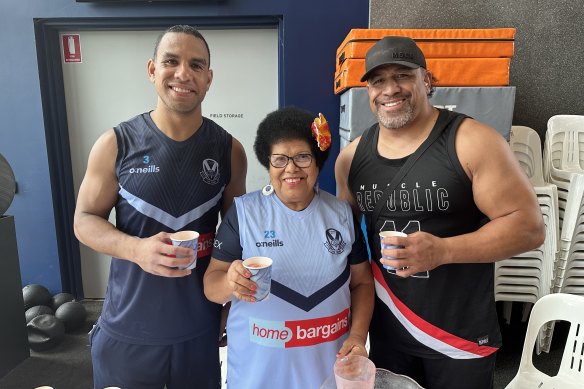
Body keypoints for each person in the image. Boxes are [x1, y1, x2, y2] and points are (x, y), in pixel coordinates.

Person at [335, 36, 545, 389]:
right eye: (378, 80)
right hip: (387, 335)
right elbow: (342, 243)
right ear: (368, 90)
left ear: (427, 81)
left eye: (402, 75)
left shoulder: (472, 141)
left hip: (458, 338)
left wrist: (444, 250)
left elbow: (529, 227)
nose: (390, 89)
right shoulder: (351, 159)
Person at [73, 25, 247, 389]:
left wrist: (232, 304)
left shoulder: (229, 150)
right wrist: (135, 249)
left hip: (200, 333)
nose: (183, 73)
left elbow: (236, 237)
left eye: (196, 65)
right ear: (152, 70)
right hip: (127, 331)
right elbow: (84, 220)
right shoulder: (115, 143)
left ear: (208, 78)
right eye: (172, 61)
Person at [203, 106, 375, 389]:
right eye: (279, 159)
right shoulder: (245, 213)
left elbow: (362, 283)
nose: (291, 168)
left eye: (303, 157)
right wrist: (231, 283)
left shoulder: (341, 215)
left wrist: (357, 336)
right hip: (257, 374)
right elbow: (211, 285)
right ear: (268, 164)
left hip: (326, 372)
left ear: (318, 162)